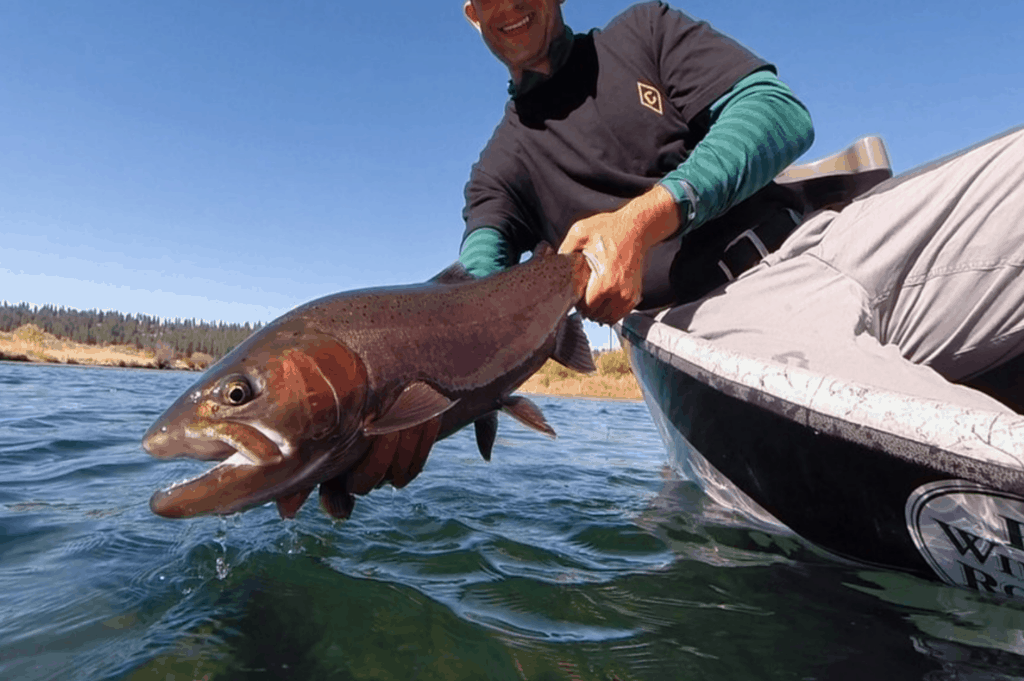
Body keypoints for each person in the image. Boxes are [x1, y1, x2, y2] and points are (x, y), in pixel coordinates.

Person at [458, 0, 1024, 411]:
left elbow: (776, 113)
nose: (508, 4)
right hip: (716, 321)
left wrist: (646, 216)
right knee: (945, 428)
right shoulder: (499, 167)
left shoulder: (645, 30)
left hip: (831, 238)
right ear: (472, 13)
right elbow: (478, 276)